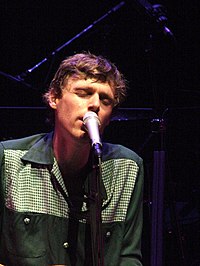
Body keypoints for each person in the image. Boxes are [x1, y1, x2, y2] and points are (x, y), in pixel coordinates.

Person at [0, 52, 144, 265]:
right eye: (83, 93)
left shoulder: (128, 167)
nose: (95, 104)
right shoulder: (9, 160)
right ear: (54, 98)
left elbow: (128, 257)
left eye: (105, 100)